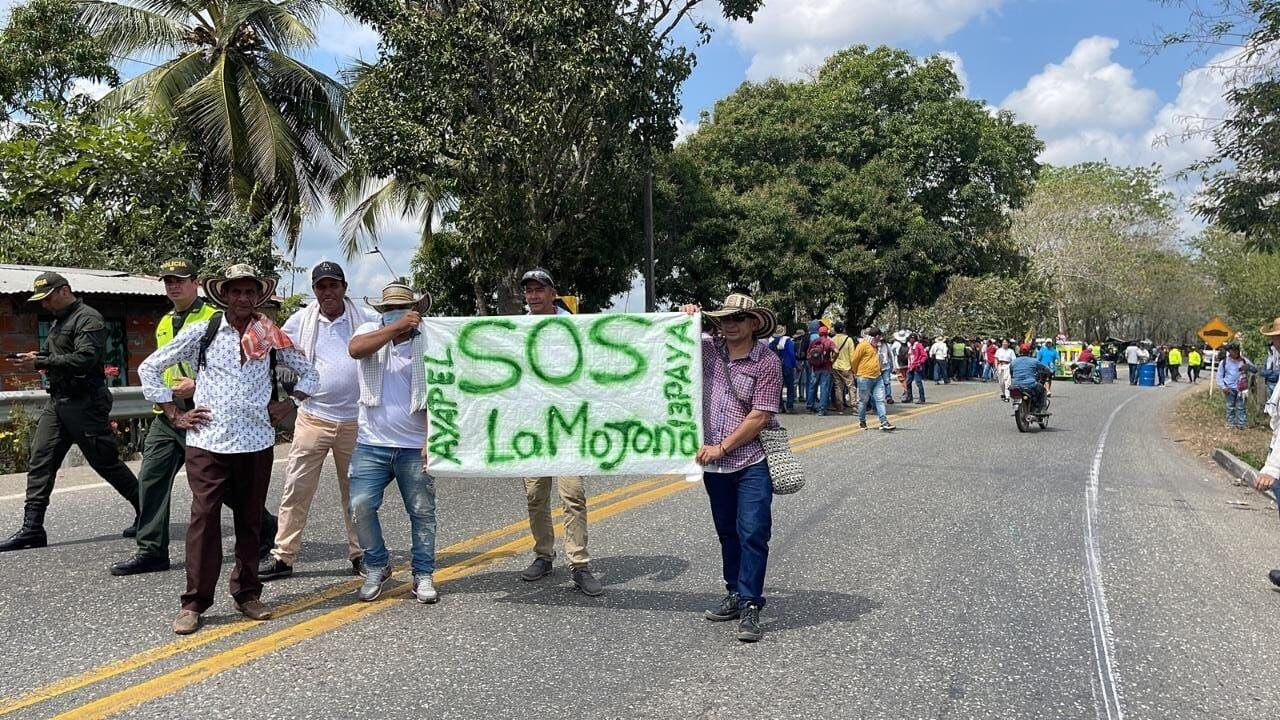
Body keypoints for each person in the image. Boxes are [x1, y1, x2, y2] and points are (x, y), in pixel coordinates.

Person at [139, 264, 319, 635]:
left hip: (255, 442)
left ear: (258, 296)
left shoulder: (269, 334)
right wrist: (174, 413)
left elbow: (311, 373)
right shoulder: (203, 331)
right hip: (208, 441)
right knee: (204, 518)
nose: (243, 298)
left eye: (250, 292)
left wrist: (290, 403)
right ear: (224, 295)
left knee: (250, 521)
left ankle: (248, 594)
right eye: (236, 291)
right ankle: (194, 603)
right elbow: (150, 367)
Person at [1, 272, 140, 552]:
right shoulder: (59, 320)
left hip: (85, 401)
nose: (45, 304)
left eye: (48, 298)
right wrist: (38, 358)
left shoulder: (89, 318)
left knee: (105, 462)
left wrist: (41, 361)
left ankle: (148, 512)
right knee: (41, 461)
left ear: (65, 290)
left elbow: (85, 359)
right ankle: (32, 529)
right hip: (59, 402)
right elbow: (62, 354)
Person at [259, 262, 378, 582]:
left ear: (344, 288)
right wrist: (291, 397)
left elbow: (390, 341)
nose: (328, 292)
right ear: (314, 291)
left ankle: (361, 554)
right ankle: (283, 556)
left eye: (333, 286)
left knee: (356, 493)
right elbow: (278, 355)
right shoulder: (300, 321)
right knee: (296, 488)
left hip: (356, 419)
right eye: (321, 287)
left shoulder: (366, 319)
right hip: (313, 416)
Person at [680, 294, 781, 643]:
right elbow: (667, 345)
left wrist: (721, 448)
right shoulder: (708, 350)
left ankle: (751, 602)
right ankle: (735, 592)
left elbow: (761, 416)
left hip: (750, 461)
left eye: (739, 317)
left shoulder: (767, 362)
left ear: (754, 322)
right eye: (724, 317)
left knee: (753, 530)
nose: (730, 323)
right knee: (727, 531)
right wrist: (685, 320)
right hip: (715, 467)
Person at [111, 259, 221, 575]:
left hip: (200, 413)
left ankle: (265, 531)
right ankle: (151, 551)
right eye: (168, 281)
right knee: (151, 480)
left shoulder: (214, 319)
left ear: (196, 282)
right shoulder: (164, 321)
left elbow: (229, 370)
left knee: (219, 487)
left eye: (180, 280)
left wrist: (198, 385)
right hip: (167, 415)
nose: (173, 286)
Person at [346, 281, 439, 604]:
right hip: (372, 443)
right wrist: (395, 327)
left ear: (416, 311)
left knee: (422, 511)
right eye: (388, 309)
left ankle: (423, 573)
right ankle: (377, 564)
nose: (393, 313)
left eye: (401, 308)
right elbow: (355, 350)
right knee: (360, 505)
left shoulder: (429, 340)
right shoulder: (370, 332)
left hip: (414, 444)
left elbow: (440, 393)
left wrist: (431, 438)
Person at [515, 268, 602, 596]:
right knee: (536, 496)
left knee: (572, 495)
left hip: (568, 425)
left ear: (554, 294)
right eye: (529, 291)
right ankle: (543, 554)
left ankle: (578, 563)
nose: (534, 296)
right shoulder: (516, 329)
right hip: (533, 428)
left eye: (540, 289)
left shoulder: (577, 328)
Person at [850, 328, 896, 431]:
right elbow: (854, 360)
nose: (880, 339)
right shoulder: (863, 345)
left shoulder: (874, 346)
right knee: (863, 401)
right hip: (864, 377)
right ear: (876, 336)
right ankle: (862, 422)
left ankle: (884, 422)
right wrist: (856, 373)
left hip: (877, 377)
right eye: (879, 337)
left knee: (880, 400)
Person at [1217, 343, 1256, 430]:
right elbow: (1219, 376)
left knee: (1241, 407)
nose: (1236, 352)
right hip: (1229, 388)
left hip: (1242, 389)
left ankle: (1242, 424)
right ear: (1229, 352)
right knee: (1230, 407)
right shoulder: (1224, 362)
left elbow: (1255, 369)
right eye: (1233, 350)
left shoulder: (1244, 360)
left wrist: (1248, 367)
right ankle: (1230, 424)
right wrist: (1223, 387)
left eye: (1237, 350)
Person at [1010, 343, 1050, 412]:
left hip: (1016, 385)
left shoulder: (1013, 362)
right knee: (1042, 390)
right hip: (1030, 384)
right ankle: (1041, 409)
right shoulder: (1034, 361)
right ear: (1030, 351)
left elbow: (1011, 373)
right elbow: (1045, 369)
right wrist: (1049, 371)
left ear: (1019, 351)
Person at [805, 325, 836, 415]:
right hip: (826, 367)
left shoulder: (814, 342)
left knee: (812, 387)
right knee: (824, 388)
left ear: (819, 333)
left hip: (815, 368)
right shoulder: (829, 342)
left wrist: (812, 362)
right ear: (827, 333)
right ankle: (822, 409)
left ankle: (809, 407)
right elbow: (836, 351)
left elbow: (808, 354)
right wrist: (833, 359)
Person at [829, 322, 856, 414]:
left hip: (835, 366)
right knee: (851, 387)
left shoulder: (832, 340)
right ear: (844, 329)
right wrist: (854, 368)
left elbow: (831, 354)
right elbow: (852, 356)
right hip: (846, 367)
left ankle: (840, 407)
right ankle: (854, 407)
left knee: (838, 387)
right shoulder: (849, 340)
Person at [769, 326, 796, 414]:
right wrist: (794, 365)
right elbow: (792, 354)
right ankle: (789, 406)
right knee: (790, 387)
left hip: (777, 366)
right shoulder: (788, 341)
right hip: (788, 365)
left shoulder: (772, 342)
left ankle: (780, 406)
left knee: (778, 387)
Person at [1259, 318, 1280, 399]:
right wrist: (1270, 374)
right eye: (1275, 337)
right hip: (1271, 387)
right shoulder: (1270, 351)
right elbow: (1261, 369)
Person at [905, 334, 927, 403]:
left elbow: (924, 355)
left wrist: (919, 362)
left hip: (917, 366)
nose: (911, 340)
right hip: (911, 366)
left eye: (913, 338)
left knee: (918, 382)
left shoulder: (919, 345)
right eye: (910, 339)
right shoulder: (910, 346)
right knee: (908, 382)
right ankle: (909, 397)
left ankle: (922, 398)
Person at [877, 328, 897, 405]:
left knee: (887, 382)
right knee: (877, 383)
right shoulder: (873, 346)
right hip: (877, 367)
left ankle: (888, 396)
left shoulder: (887, 345)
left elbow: (891, 356)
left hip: (886, 366)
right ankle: (879, 397)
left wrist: (894, 366)